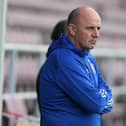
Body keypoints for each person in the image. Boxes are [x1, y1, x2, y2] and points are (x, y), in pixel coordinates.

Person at [36, 6, 113, 126]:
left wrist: (101, 99)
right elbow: (96, 103)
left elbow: (105, 98)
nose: (96, 34)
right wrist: (102, 99)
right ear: (72, 30)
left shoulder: (89, 58)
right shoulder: (63, 59)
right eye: (90, 28)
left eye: (98, 28)